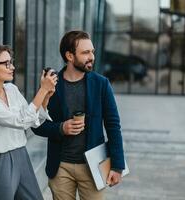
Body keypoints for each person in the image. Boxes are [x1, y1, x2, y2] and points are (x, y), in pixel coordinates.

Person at [32, 30, 125, 200]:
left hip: (93, 166)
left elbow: (113, 125)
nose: (91, 57)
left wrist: (117, 166)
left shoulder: (101, 84)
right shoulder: (51, 84)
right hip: (60, 167)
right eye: (85, 52)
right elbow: (36, 125)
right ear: (69, 55)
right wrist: (61, 128)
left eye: (92, 52)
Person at [0, 44, 57, 200]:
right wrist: (42, 90)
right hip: (0, 162)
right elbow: (21, 121)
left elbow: (33, 121)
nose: (13, 67)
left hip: (21, 155)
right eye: (6, 63)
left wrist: (46, 97)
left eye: (11, 62)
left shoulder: (12, 89)